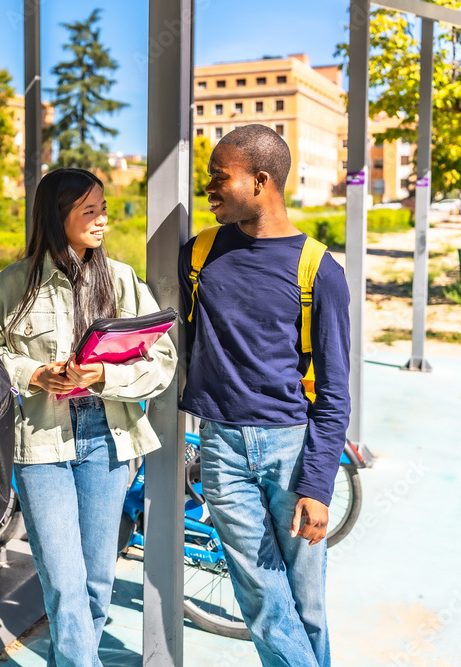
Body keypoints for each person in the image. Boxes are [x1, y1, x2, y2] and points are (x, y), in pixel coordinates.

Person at [0, 168, 177, 667]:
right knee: (64, 581)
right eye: (89, 210)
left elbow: (162, 362)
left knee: (96, 581)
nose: (102, 220)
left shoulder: (123, 281)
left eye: (104, 208)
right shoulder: (11, 285)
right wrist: (35, 372)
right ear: (56, 215)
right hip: (41, 444)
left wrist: (102, 378)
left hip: (108, 440)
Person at [179, 124, 350, 667]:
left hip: (291, 449)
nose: (208, 188)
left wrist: (318, 485)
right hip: (221, 451)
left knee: (308, 603)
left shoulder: (319, 271)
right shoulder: (198, 257)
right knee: (262, 600)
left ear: (260, 180)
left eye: (217, 177)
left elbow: (335, 389)